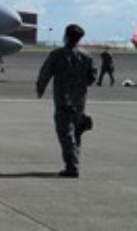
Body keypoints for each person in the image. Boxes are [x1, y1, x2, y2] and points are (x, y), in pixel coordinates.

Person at [36, 24, 97, 178]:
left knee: (65, 134)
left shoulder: (57, 54)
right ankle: (74, 163)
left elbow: (45, 72)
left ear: (66, 36)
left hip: (63, 99)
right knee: (76, 132)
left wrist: (40, 87)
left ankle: (72, 166)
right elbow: (92, 78)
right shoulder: (87, 56)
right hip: (79, 101)